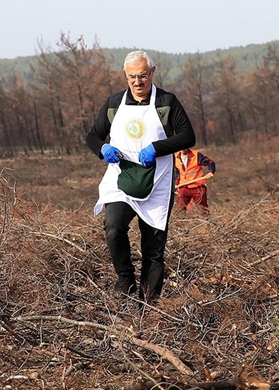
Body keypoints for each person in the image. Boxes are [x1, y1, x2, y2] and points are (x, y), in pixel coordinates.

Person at [86, 51, 195, 301]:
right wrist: (102, 149)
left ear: (152, 73)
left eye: (143, 75)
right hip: (120, 178)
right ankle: (125, 279)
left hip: (157, 181)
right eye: (132, 76)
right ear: (125, 76)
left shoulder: (167, 102)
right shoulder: (114, 104)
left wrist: (156, 148)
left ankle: (148, 306)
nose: (138, 81)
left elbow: (188, 135)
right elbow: (92, 135)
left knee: (153, 249)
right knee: (113, 228)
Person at [174, 148, 216, 213]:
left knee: (202, 210)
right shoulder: (176, 158)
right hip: (184, 187)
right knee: (179, 210)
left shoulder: (196, 155)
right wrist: (176, 184)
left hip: (198, 187)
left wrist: (211, 172)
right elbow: (177, 173)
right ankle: (180, 222)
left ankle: (205, 222)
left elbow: (210, 162)